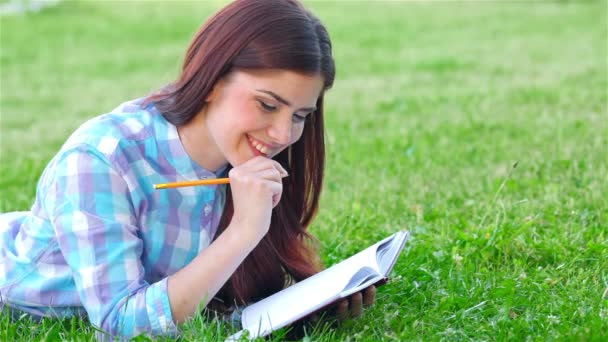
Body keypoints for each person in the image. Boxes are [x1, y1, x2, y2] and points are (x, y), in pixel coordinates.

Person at [0, 0, 375, 338]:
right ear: (211, 81)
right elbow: (121, 325)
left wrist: (309, 301)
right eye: (266, 105)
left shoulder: (241, 161)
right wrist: (244, 231)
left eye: (300, 116)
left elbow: (215, 302)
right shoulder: (100, 159)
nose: (282, 134)